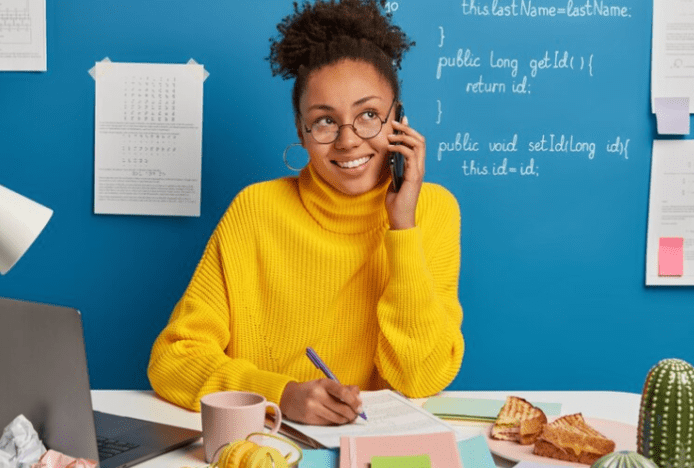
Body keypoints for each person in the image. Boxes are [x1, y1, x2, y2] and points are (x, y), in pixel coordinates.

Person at [148, 0, 464, 426]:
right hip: (271, 446)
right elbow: (172, 361)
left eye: (369, 115)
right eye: (325, 121)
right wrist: (279, 394)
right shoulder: (255, 210)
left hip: (373, 447)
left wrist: (402, 227)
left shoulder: (434, 211)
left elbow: (420, 378)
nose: (348, 141)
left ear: (399, 121)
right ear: (301, 130)